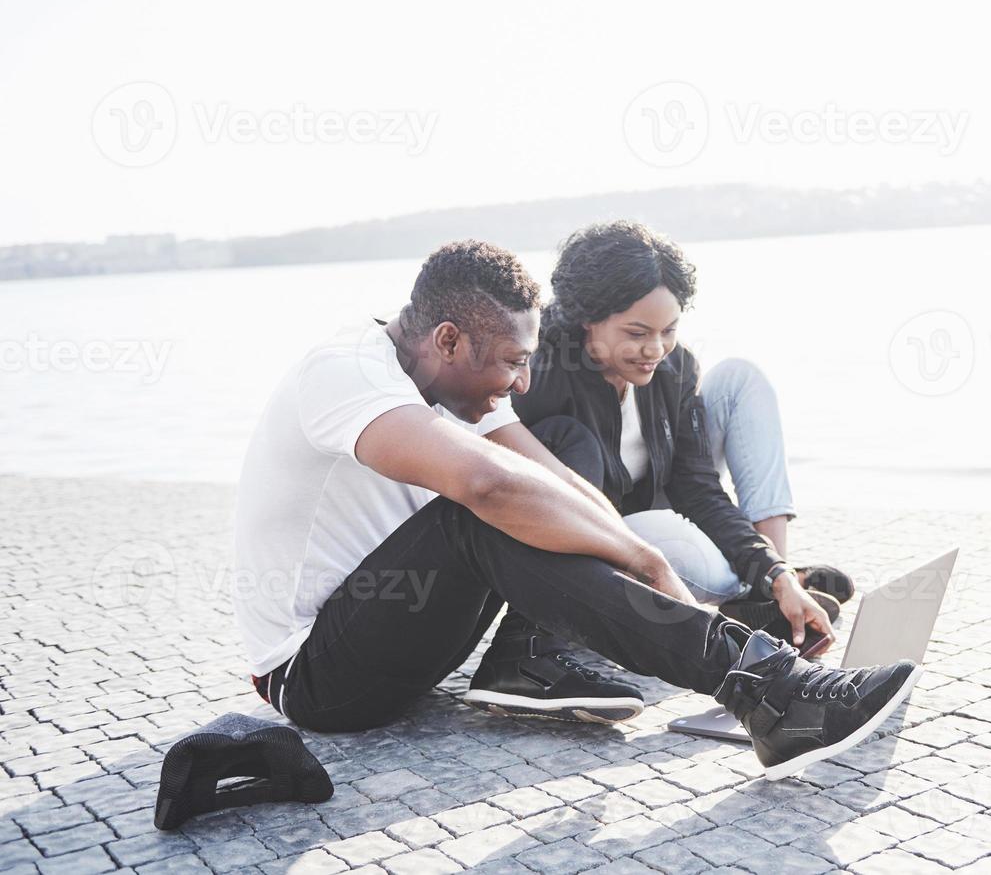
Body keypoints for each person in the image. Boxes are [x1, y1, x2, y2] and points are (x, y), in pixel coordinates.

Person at [231, 239, 919, 779]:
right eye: (511, 362)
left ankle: (753, 671)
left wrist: (644, 571)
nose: (522, 382)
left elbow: (553, 478)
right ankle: (771, 691)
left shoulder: (450, 377)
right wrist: (640, 554)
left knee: (540, 470)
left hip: (397, 638)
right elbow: (490, 490)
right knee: (480, 511)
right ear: (447, 340)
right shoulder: (345, 373)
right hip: (317, 678)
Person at [507, 221, 852, 651]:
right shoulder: (537, 372)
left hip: (663, 506)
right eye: (637, 333)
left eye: (668, 330)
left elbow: (698, 487)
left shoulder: (675, 369)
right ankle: (753, 592)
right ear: (587, 320)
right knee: (681, 549)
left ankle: (777, 581)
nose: (655, 349)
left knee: (741, 377)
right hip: (609, 535)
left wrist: (774, 570)